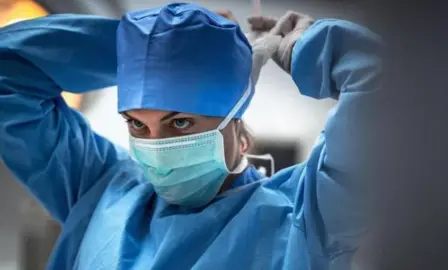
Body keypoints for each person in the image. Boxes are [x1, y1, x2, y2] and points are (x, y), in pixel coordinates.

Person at [0, 3, 381, 269]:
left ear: (239, 131)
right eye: (136, 124)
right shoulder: (101, 187)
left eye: (179, 123)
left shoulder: (306, 217)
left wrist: (308, 49)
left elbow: (394, 98)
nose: (156, 146)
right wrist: (143, 47)